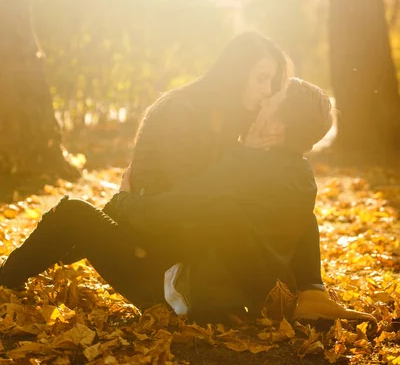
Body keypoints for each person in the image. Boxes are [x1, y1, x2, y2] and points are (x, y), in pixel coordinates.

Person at [0, 76, 375, 323]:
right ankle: (314, 294)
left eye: (269, 102)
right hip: (225, 293)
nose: (260, 103)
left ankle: (5, 279)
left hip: (178, 294)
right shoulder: (301, 176)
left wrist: (121, 200)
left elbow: (163, 214)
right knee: (93, 230)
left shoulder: (240, 167)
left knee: (73, 212)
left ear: (277, 127)